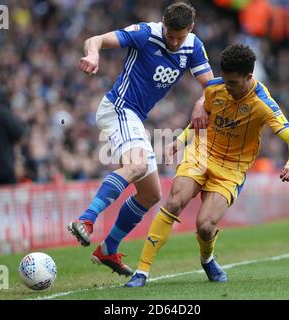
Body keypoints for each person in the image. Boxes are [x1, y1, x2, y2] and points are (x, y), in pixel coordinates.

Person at [125, 44, 289, 287]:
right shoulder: (215, 88)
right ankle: (142, 272)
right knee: (174, 201)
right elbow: (201, 119)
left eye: (232, 82)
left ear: (249, 77)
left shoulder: (263, 104)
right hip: (201, 153)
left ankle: (207, 259)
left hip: (231, 169)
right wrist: (179, 141)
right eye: (225, 80)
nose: (226, 87)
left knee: (205, 225)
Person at [67, 2, 214, 276]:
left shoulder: (193, 46)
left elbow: (211, 87)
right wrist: (93, 55)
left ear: (190, 29)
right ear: (163, 24)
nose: (173, 41)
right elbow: (95, 39)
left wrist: (200, 104)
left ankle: (108, 248)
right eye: (170, 34)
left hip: (135, 118)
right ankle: (86, 220)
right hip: (118, 109)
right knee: (135, 166)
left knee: (150, 195)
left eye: (179, 37)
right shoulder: (146, 33)